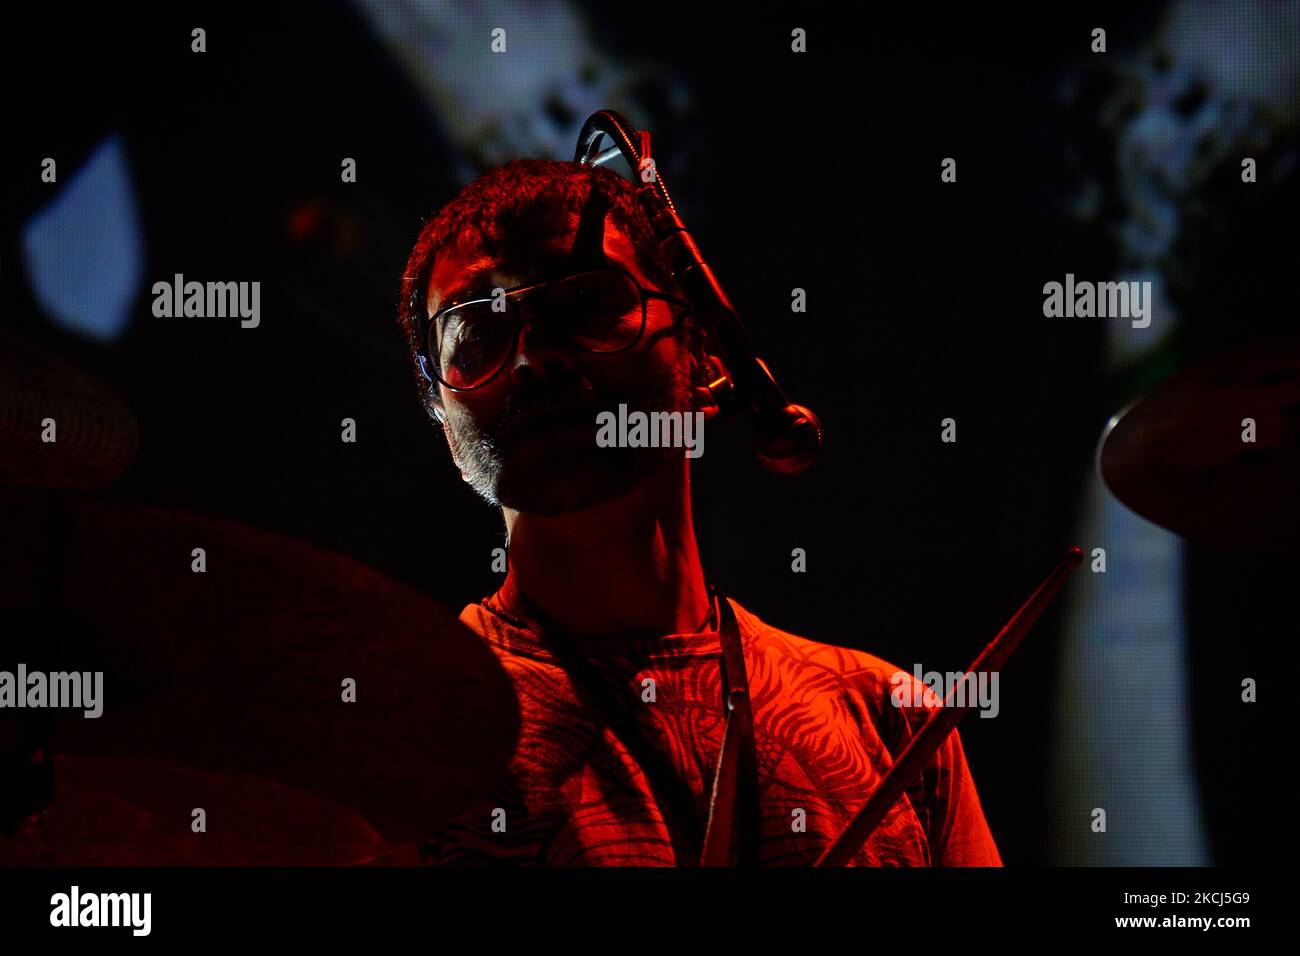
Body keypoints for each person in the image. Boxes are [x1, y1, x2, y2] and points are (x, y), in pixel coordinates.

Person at [397, 158, 1002, 866]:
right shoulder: (393, 735)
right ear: (441, 416)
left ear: (704, 350)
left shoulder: (892, 720)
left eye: (585, 304)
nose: (533, 357)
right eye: (477, 332)